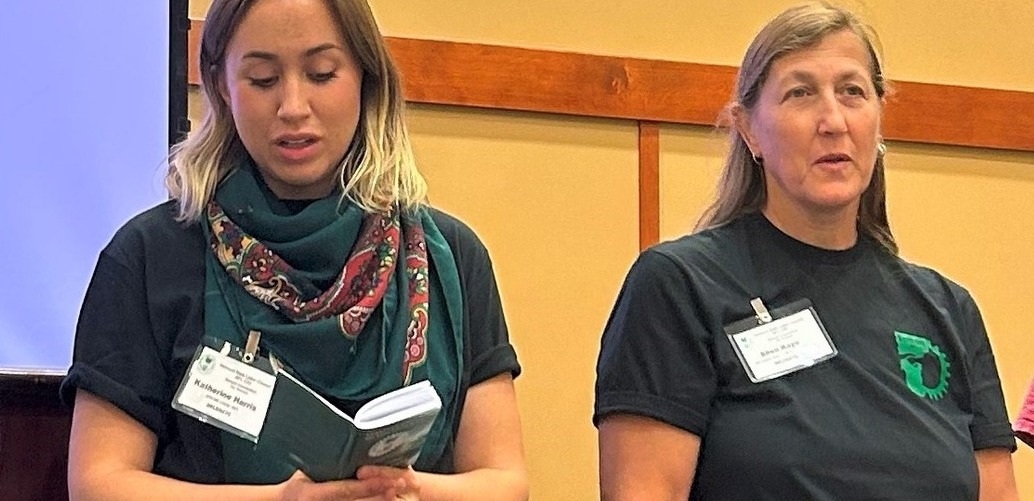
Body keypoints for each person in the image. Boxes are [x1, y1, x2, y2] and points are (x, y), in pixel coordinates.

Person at [61, 0, 528, 499]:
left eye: (322, 74)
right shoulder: (148, 257)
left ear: (366, 77)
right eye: (262, 80)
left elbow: (504, 481)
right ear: (222, 84)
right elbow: (99, 483)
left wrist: (402, 490)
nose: (293, 107)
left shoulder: (451, 256)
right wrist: (286, 500)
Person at [594, 3, 1019, 500]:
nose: (833, 120)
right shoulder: (680, 286)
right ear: (749, 129)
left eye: (852, 92)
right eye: (800, 94)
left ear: (879, 119)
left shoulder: (949, 309)